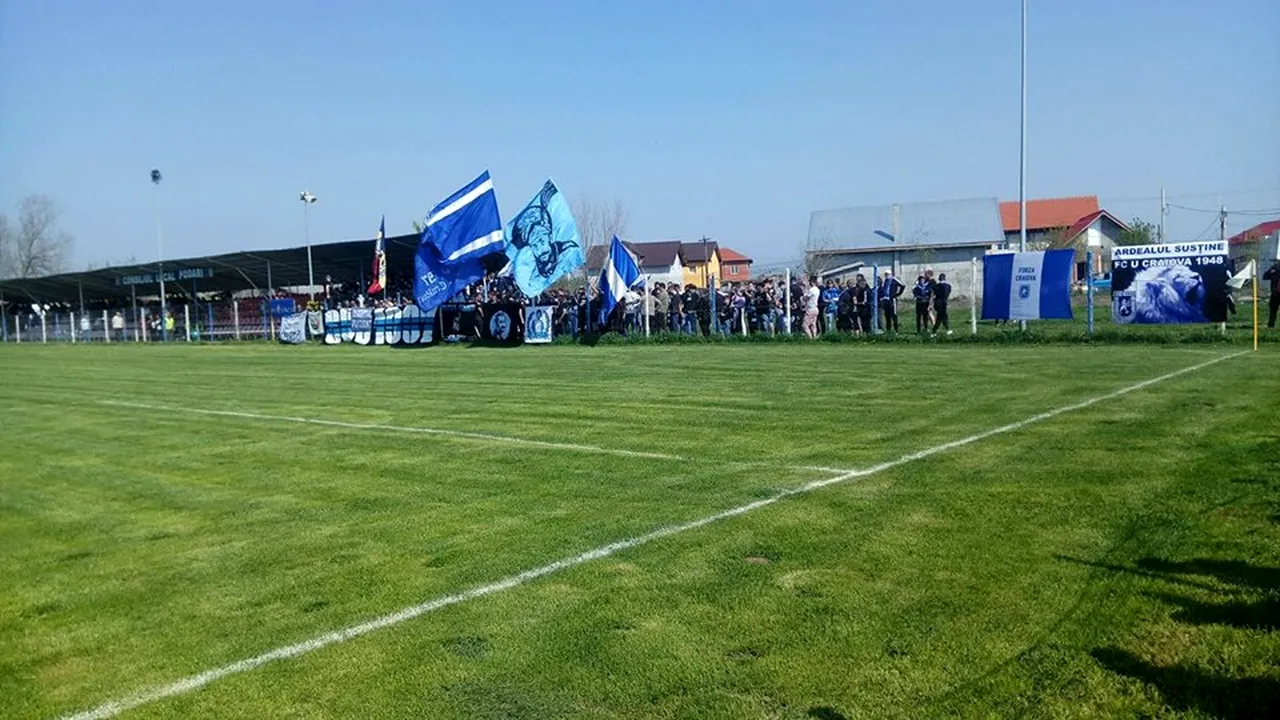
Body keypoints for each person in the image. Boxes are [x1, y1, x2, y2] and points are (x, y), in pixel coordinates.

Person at [1266, 260, 1280, 329]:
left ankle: (1271, 325)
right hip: (1275, 294)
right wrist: (1271, 270)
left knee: (1273, 311)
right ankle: (1271, 325)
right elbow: (1265, 276)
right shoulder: (1274, 270)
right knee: (1273, 311)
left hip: (1275, 293)